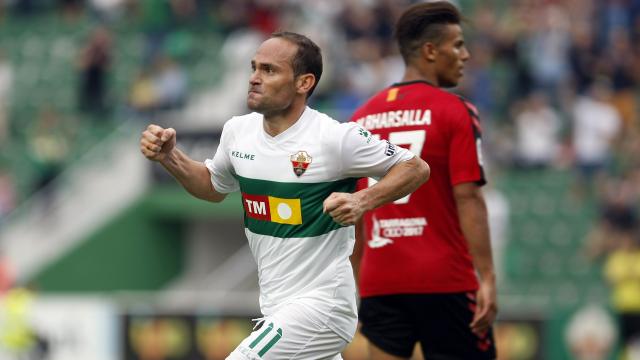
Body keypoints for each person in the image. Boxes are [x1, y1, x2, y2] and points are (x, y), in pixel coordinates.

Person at [140, 31, 430, 360]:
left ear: (303, 83)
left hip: (324, 306)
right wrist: (170, 158)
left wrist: (362, 201)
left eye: (269, 70)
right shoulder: (238, 132)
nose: (254, 78)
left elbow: (415, 167)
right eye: (254, 68)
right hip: (277, 306)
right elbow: (211, 187)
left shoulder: (335, 138)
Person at [350, 2, 498, 359]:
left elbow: (354, 217)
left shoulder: (360, 118)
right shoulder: (455, 110)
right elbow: (469, 199)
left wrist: (355, 282)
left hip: (379, 281)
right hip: (443, 279)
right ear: (431, 51)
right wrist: (488, 278)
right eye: (458, 44)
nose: (465, 55)